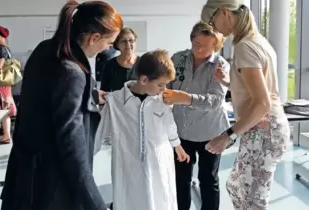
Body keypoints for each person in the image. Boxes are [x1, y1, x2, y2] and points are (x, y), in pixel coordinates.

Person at [0, 1, 122, 210]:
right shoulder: (71, 71)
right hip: (50, 186)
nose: (108, 48)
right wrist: (96, 204)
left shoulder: (45, 50)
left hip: (24, 175)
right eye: (109, 43)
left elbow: (47, 95)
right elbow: (72, 147)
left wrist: (90, 95)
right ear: (94, 38)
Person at [201, 1, 290, 209]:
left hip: (263, 129)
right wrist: (228, 82)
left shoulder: (244, 47)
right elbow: (257, 90)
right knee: (237, 186)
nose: (214, 28)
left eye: (212, 21)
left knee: (252, 199)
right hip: (263, 128)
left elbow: (262, 103)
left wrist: (227, 135)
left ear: (224, 12)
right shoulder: (257, 41)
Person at [94, 49, 190, 210]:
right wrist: (83, 157)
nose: (164, 89)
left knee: (161, 199)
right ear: (144, 79)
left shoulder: (162, 100)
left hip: (160, 161)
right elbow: (99, 132)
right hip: (129, 164)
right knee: (132, 200)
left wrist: (177, 145)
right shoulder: (116, 101)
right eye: (160, 84)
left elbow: (168, 122)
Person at [162, 21, 229, 210]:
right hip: (181, 132)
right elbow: (166, 85)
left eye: (206, 47)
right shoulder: (178, 59)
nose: (199, 50)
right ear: (191, 38)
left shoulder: (220, 66)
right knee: (180, 180)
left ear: (215, 46)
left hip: (211, 133)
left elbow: (215, 100)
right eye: (196, 44)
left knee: (208, 179)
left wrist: (185, 98)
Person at [0, 26, 17, 147]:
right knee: (4, 111)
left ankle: (4, 137)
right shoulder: (7, 49)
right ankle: (6, 136)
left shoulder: (0, 50)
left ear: (0, 36)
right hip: (5, 85)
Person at [100, 27, 139, 92]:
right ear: (117, 44)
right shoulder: (109, 65)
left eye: (131, 40)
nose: (128, 44)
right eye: (123, 41)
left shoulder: (144, 63)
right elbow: (104, 92)